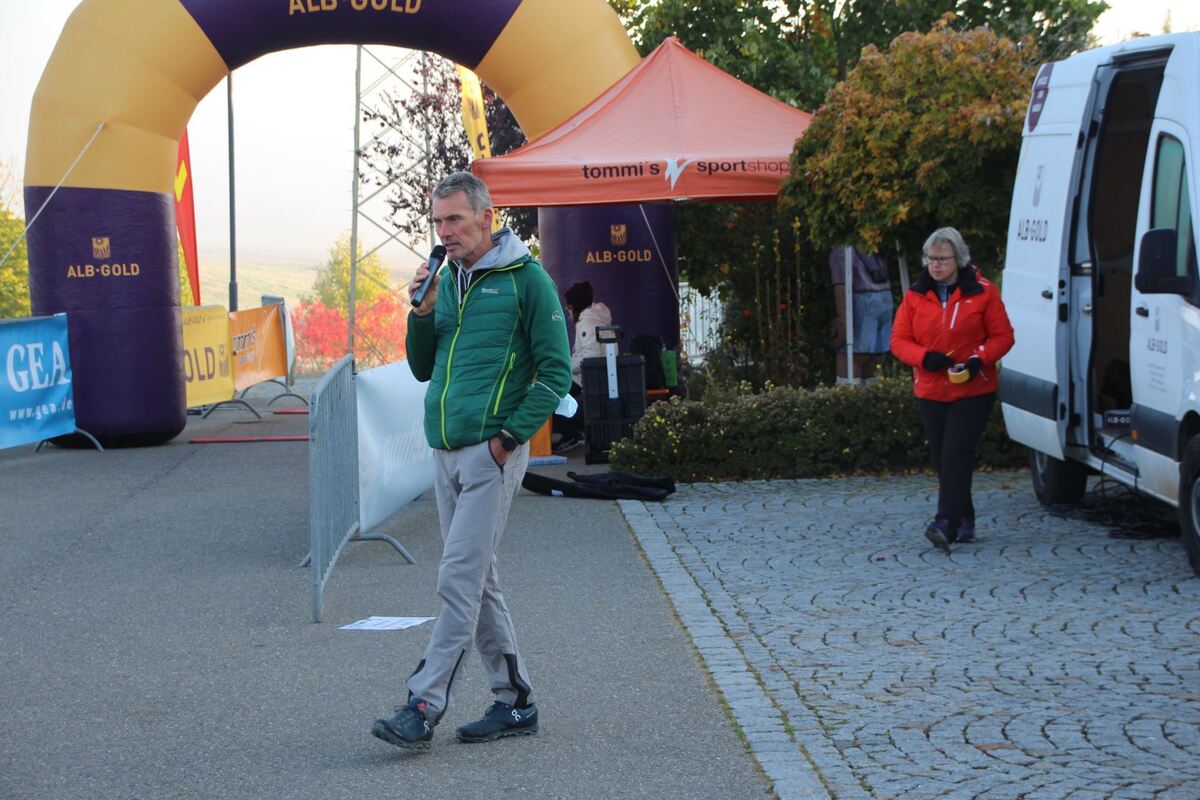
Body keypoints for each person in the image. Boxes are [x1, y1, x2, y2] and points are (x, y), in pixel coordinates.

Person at [371, 172, 572, 751]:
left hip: (490, 453)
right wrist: (421, 311)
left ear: (487, 217)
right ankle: (515, 702)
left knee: (457, 580)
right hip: (445, 449)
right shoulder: (449, 281)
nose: (444, 231)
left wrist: (507, 442)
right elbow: (421, 366)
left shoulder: (526, 280)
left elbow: (555, 372)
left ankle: (423, 704)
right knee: (477, 581)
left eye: (455, 219)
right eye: (437, 221)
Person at [890, 227, 1014, 551]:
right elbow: (898, 341)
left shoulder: (984, 292)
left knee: (955, 452)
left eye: (942, 259)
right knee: (944, 459)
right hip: (931, 388)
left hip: (974, 388)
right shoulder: (915, 295)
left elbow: (1003, 337)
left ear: (958, 259)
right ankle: (965, 517)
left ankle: (944, 521)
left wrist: (978, 359)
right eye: (931, 259)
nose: (935, 265)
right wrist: (923, 357)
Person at [553, 281, 612, 452]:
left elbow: (590, 356)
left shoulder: (587, 323)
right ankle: (573, 433)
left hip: (587, 377)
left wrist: (565, 366)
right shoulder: (596, 318)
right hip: (596, 376)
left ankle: (572, 435)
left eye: (568, 306)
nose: (567, 310)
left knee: (551, 394)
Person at [830, 246, 893, 380]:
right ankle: (868, 393)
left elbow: (841, 286)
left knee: (852, 356)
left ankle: (848, 394)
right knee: (875, 355)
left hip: (863, 301)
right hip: (885, 299)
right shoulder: (875, 248)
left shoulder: (843, 250)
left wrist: (843, 322)